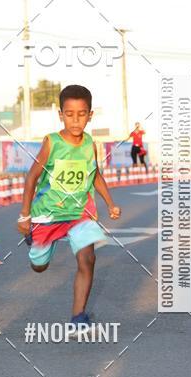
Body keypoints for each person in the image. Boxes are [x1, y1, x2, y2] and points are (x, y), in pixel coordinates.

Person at [17, 84, 121, 328]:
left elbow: (94, 175)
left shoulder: (89, 144)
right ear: (61, 115)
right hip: (48, 214)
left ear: (90, 115)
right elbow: (32, 177)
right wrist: (25, 215)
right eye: (70, 114)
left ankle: (78, 317)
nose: (76, 120)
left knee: (88, 258)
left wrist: (110, 203)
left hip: (79, 213)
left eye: (81, 114)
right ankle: (36, 240)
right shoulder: (52, 142)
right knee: (39, 266)